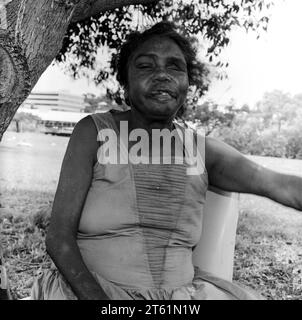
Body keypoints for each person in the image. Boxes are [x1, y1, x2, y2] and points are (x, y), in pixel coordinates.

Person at [31, 22, 302, 300]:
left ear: (187, 84)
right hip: (90, 293)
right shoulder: (94, 133)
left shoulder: (203, 151)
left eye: (174, 66)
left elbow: (282, 186)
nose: (162, 75)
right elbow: (58, 238)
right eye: (146, 66)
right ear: (125, 83)